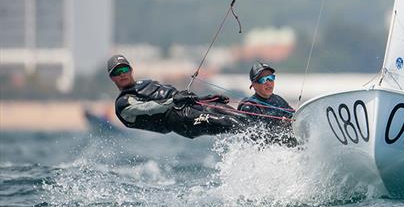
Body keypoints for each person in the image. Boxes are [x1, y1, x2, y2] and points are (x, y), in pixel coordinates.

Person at [108, 54, 246, 139]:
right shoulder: (123, 104)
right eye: (117, 72)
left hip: (191, 108)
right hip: (180, 121)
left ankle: (264, 135)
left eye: (125, 69)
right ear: (112, 78)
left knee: (239, 115)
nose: (122, 74)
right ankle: (260, 144)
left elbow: (180, 97)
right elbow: (149, 108)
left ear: (131, 70)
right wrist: (174, 101)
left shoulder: (144, 83)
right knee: (228, 122)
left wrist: (206, 99)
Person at [238, 62, 296, 145]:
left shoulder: (278, 100)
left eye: (271, 78)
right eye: (263, 80)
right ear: (254, 85)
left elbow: (294, 117)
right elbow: (258, 139)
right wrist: (282, 126)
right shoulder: (249, 107)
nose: (268, 83)